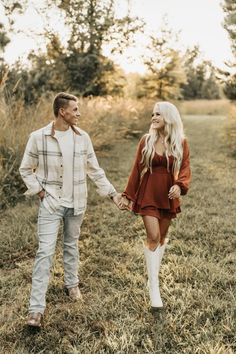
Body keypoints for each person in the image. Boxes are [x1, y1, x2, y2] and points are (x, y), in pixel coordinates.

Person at [19, 92, 121, 327]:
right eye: (75, 109)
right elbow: (26, 169)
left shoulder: (83, 138)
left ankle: (71, 284)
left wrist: (113, 194)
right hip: (51, 203)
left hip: (77, 202)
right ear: (62, 111)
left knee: (71, 245)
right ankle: (36, 309)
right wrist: (41, 192)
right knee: (44, 252)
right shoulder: (38, 137)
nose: (79, 113)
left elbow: (95, 170)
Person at [119, 101, 191, 310]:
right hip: (149, 193)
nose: (153, 117)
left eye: (157, 114)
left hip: (168, 194)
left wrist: (179, 186)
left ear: (168, 117)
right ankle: (154, 289)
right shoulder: (146, 141)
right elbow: (136, 169)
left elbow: (185, 168)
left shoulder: (180, 141)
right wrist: (128, 195)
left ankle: (152, 277)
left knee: (161, 239)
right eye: (152, 114)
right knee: (153, 237)